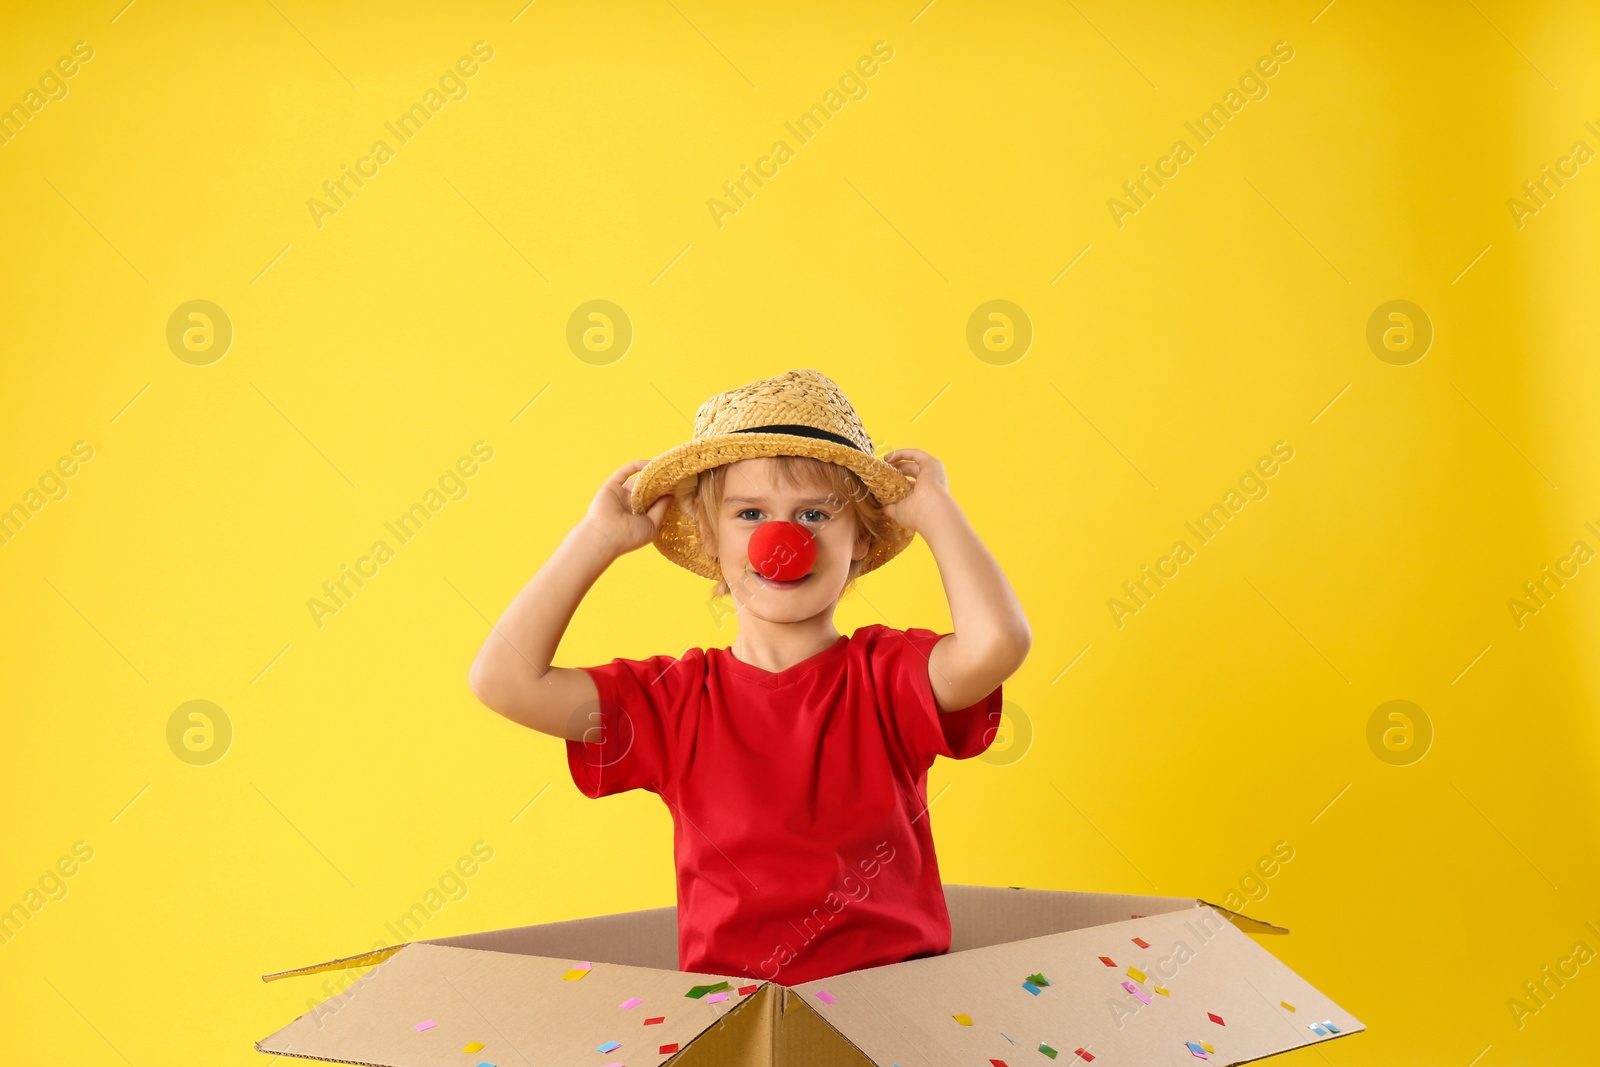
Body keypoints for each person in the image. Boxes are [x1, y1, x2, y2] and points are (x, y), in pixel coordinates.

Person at [468, 367, 1031, 984]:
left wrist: (936, 514)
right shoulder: (672, 703)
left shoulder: (887, 678)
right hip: (734, 1014)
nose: (781, 539)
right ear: (710, 538)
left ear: (861, 541)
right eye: (749, 513)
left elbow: (997, 643)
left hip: (892, 1008)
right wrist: (596, 538)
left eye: (815, 513)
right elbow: (503, 679)